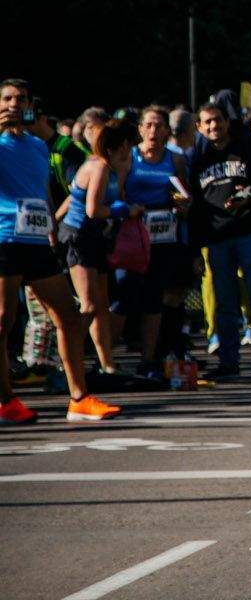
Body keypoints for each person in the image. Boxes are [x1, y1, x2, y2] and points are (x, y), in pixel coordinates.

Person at [0, 80, 117, 422]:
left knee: (67, 314)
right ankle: (7, 401)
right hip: (4, 237)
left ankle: (79, 398)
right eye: (7, 99)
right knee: (3, 320)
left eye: (20, 99)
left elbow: (42, 191)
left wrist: (51, 226)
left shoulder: (38, 147)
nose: (14, 104)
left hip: (35, 240)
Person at [190, 100, 251, 382]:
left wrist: (250, 195)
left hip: (250, 235)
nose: (213, 125)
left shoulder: (248, 149)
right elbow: (195, 208)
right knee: (224, 304)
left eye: (217, 120)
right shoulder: (199, 160)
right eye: (207, 122)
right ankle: (229, 362)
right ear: (199, 127)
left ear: (227, 122)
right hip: (217, 240)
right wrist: (195, 248)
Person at [112, 105, 194, 376]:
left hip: (164, 237)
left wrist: (181, 205)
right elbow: (117, 193)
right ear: (139, 129)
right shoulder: (130, 157)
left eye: (159, 126)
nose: (153, 131)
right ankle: (106, 359)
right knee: (124, 293)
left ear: (167, 131)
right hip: (133, 234)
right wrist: (130, 208)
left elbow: (182, 194)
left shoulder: (176, 160)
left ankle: (149, 359)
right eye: (148, 125)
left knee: (154, 298)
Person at [58, 115, 135, 375]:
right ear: (123, 146)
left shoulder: (112, 168)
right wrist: (126, 209)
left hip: (95, 238)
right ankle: (68, 362)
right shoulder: (99, 166)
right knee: (88, 304)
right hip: (79, 236)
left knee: (102, 304)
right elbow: (92, 209)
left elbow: (73, 198)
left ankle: (107, 364)